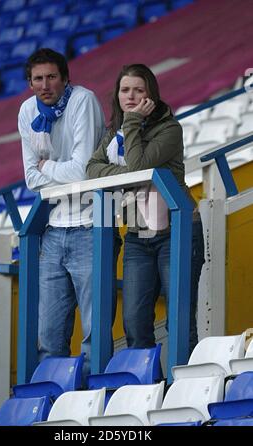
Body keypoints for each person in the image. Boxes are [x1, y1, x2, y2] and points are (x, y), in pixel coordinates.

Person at [86, 64, 205, 355]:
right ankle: (146, 391)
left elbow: (140, 167)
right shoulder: (114, 134)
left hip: (176, 231)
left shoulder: (169, 129)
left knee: (179, 318)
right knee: (135, 322)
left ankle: (183, 388)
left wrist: (132, 122)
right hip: (138, 236)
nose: (130, 96)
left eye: (138, 90)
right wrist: (127, 130)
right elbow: (91, 169)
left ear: (151, 95)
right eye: (125, 90)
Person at [18, 48, 106, 379]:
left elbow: (84, 171)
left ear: (65, 78)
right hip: (54, 229)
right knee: (49, 332)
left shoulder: (83, 100)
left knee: (94, 329)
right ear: (30, 83)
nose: (45, 85)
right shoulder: (27, 110)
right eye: (38, 78)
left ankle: (91, 400)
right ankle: (53, 400)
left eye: (51, 76)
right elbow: (30, 178)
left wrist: (48, 167)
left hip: (92, 225)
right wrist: (55, 171)